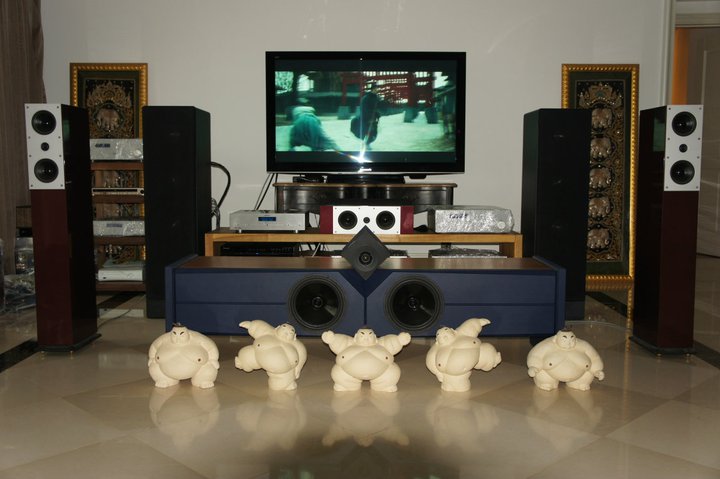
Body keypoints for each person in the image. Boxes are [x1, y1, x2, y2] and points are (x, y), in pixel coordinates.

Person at [355, 83, 381, 147]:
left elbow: (376, 108)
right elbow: (364, 108)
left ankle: (367, 143)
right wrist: (369, 117)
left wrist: (377, 114)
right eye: (375, 89)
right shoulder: (366, 98)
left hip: (373, 118)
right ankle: (366, 144)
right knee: (368, 131)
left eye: (377, 89)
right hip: (366, 118)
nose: (376, 90)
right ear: (372, 89)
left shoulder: (376, 98)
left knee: (374, 132)